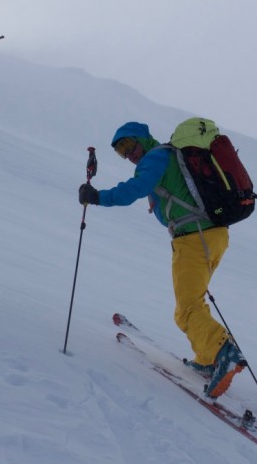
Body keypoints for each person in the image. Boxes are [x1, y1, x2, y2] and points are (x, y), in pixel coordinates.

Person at [78, 121, 247, 398]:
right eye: (121, 151)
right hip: (212, 236)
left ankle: (223, 351)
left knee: (186, 309)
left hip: (194, 238)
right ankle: (207, 360)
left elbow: (134, 188)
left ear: (143, 139)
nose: (128, 153)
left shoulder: (156, 157)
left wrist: (98, 197)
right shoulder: (169, 157)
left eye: (129, 144)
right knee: (194, 300)